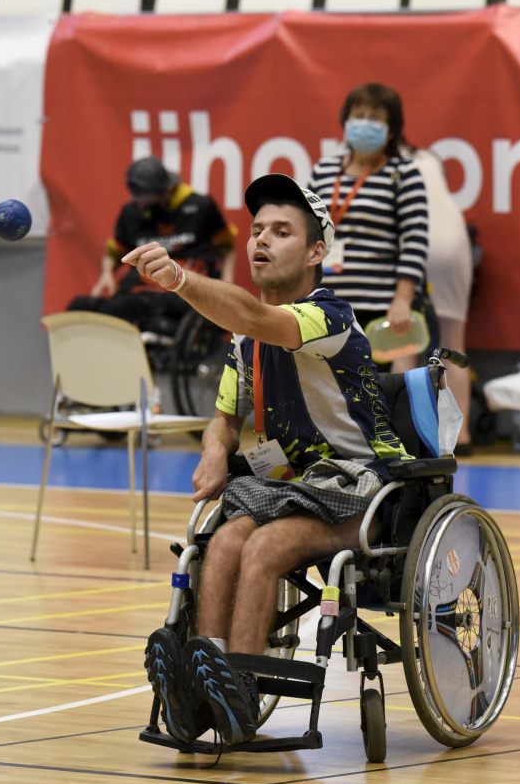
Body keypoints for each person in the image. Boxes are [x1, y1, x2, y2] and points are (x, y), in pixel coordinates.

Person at [131, 174, 408, 746]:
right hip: (289, 486)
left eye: (282, 232)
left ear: (315, 252)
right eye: (257, 230)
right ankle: (204, 684)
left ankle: (242, 688)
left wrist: (180, 279)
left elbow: (258, 319)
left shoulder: (330, 317)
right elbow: (224, 417)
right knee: (223, 541)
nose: (261, 239)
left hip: (358, 484)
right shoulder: (244, 341)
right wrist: (215, 450)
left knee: (263, 547)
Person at [307, 83, 428, 372]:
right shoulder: (323, 171)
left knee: (376, 388)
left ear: (391, 129)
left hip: (381, 308)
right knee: (327, 387)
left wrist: (403, 300)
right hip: (325, 302)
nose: (365, 123)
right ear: (346, 121)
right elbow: (307, 231)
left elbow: (415, 241)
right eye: (358, 115)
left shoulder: (404, 174)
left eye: (375, 118)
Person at [68, 156, 236, 334]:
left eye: (141, 195)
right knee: (80, 306)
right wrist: (107, 273)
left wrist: (227, 284)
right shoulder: (131, 213)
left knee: (133, 308)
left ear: (165, 190)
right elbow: (114, 252)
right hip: (139, 288)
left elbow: (228, 247)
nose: (135, 199)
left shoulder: (201, 207)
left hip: (183, 289)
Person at [408, 145, 475, 454]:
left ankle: (402, 433)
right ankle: (461, 438)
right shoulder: (431, 162)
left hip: (416, 238)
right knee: (453, 343)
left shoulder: (386, 161)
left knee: (405, 341)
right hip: (453, 240)